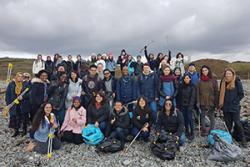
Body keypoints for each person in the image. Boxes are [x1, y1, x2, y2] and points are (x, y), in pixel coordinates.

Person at [218, 68, 247, 147]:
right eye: (226, 74)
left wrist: (235, 102)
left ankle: (243, 139)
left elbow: (241, 94)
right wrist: (220, 104)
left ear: (233, 74)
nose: (227, 75)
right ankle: (229, 139)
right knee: (228, 124)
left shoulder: (237, 81)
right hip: (225, 107)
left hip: (234, 107)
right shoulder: (223, 82)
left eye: (229, 73)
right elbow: (220, 93)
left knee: (237, 123)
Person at [197, 65, 218, 135]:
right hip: (202, 101)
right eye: (203, 70)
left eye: (205, 70)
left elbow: (216, 92)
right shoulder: (199, 81)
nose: (204, 72)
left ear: (208, 70)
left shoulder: (213, 80)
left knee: (211, 116)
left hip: (211, 100)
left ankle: (212, 130)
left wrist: (216, 102)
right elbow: (198, 92)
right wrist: (198, 101)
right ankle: (204, 130)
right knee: (202, 116)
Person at [176, 73, 196, 140]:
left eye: (187, 78)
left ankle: (192, 132)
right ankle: (187, 131)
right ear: (183, 79)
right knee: (184, 119)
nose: (186, 79)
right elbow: (178, 96)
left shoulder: (192, 86)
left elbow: (193, 97)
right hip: (182, 105)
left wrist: (191, 106)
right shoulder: (181, 86)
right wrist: (178, 105)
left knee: (190, 119)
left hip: (189, 105)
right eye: (185, 78)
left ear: (190, 78)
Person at [5, 72, 25, 137]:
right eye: (18, 76)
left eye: (21, 76)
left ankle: (21, 129)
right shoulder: (11, 84)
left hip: (21, 104)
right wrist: (8, 103)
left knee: (20, 116)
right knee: (13, 116)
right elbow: (7, 94)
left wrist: (22, 98)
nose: (20, 78)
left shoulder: (23, 84)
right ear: (16, 77)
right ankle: (16, 130)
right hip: (13, 103)